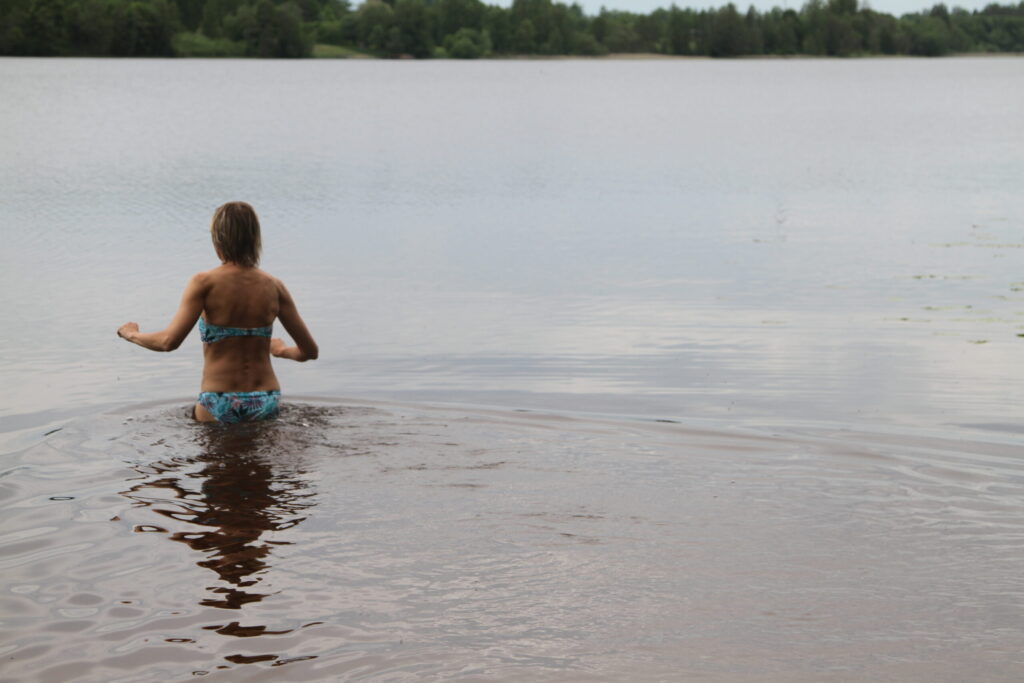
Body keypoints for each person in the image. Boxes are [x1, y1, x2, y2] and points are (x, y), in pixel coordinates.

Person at [117, 202, 318, 424]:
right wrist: (281, 350)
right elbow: (309, 351)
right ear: (254, 239)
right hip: (266, 397)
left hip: (218, 398)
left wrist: (131, 334)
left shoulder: (204, 282)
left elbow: (168, 342)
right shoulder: (274, 286)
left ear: (218, 239)